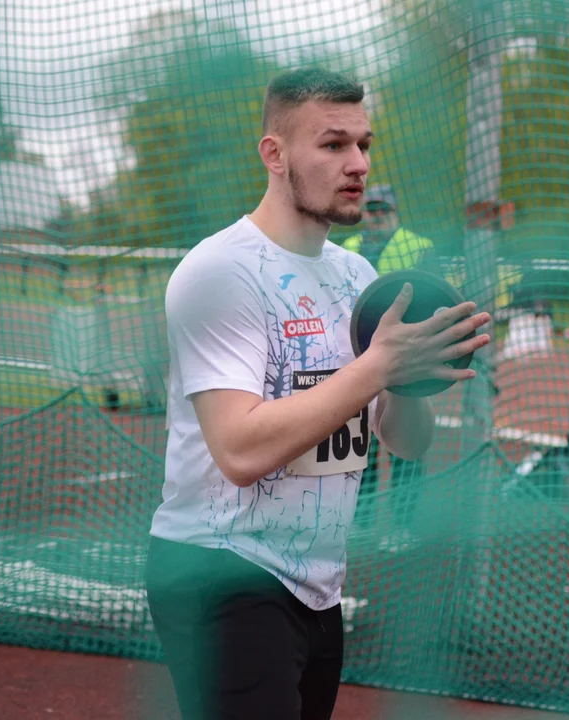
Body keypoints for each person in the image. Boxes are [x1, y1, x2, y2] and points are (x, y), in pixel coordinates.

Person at [145, 67, 492, 720]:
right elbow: (240, 450)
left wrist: (413, 378)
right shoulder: (220, 272)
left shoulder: (357, 274)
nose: (357, 163)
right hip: (220, 573)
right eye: (333, 145)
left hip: (317, 586)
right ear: (274, 155)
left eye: (363, 144)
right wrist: (375, 367)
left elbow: (405, 442)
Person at [340, 185, 436, 547]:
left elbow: (433, 298)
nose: (377, 217)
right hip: (357, 359)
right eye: (372, 210)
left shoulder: (419, 246)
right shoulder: (346, 249)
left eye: (384, 211)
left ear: (395, 213)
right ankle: (361, 523)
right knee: (360, 446)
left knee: (405, 446)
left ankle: (403, 525)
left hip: (406, 361)